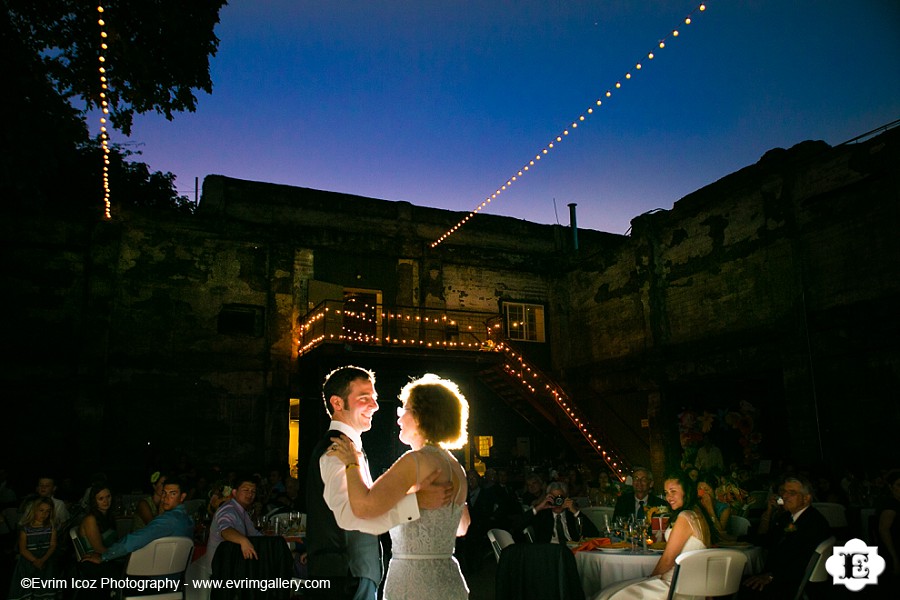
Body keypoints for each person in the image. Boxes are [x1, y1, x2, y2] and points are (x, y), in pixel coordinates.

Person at [305, 366, 452, 600]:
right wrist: (416, 502)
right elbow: (353, 516)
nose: (375, 405)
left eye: (373, 398)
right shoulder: (337, 451)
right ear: (338, 403)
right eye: (364, 398)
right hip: (347, 577)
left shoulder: (349, 449)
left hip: (352, 574)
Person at [595, 473, 711, 599]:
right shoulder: (698, 515)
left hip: (674, 585)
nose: (668, 497)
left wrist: (650, 578)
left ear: (686, 491)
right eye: (666, 492)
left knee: (610, 594)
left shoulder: (685, 517)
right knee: (614, 589)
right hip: (690, 583)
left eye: (673, 491)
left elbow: (667, 560)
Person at [740, 477, 831, 599]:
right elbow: (768, 539)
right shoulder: (788, 517)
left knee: (733, 587)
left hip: (788, 584)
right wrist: (736, 539)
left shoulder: (814, 523)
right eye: (783, 492)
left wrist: (771, 576)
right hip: (780, 577)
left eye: (791, 493)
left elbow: (802, 562)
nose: (785, 496)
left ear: (806, 498)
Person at [82, 477, 194, 565]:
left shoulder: (169, 520)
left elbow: (136, 539)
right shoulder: (186, 518)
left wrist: (105, 557)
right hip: (171, 573)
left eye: (172, 494)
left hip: (156, 575)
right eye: (164, 493)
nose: (165, 497)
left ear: (182, 497)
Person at [511, 480, 600, 544]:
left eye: (560, 498)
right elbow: (516, 526)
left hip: (572, 553)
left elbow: (594, 533)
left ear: (566, 498)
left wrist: (576, 512)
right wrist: (538, 508)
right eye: (553, 497)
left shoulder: (571, 514)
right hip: (549, 555)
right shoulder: (542, 515)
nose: (557, 501)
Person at [204, 474, 262, 567]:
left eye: (253, 491)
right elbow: (226, 531)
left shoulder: (242, 511)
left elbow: (255, 535)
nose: (250, 494)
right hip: (220, 569)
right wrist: (244, 541)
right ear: (234, 492)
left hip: (234, 563)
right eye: (246, 490)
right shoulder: (228, 509)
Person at [7, 497, 57, 600]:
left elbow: (53, 545)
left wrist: (43, 560)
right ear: (34, 510)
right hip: (28, 563)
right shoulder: (26, 529)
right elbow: (23, 549)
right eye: (41, 510)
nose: (44, 514)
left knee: (43, 587)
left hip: (45, 561)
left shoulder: (51, 527)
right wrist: (35, 560)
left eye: (47, 511)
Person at [876, 470, 900, 592]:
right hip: (892, 552)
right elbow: (883, 530)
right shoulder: (891, 506)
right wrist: (894, 558)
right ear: (891, 487)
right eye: (899, 485)